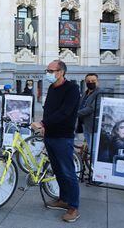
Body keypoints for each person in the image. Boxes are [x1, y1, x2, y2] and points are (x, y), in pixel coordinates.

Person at [31, 60, 80, 222]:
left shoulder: (72, 89)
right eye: (47, 70)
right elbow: (49, 111)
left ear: (61, 72)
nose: (48, 73)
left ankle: (73, 207)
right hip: (50, 136)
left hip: (63, 137)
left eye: (51, 70)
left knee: (68, 172)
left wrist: (43, 123)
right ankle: (63, 199)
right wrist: (44, 126)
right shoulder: (52, 88)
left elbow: (65, 112)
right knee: (58, 170)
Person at [77, 73, 103, 162]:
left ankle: (94, 168)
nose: (90, 83)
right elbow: (80, 105)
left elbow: (92, 108)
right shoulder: (85, 93)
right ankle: (92, 166)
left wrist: (76, 113)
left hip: (94, 125)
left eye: (93, 81)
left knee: (94, 149)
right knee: (89, 145)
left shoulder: (100, 93)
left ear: (97, 82)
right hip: (85, 124)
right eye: (88, 81)